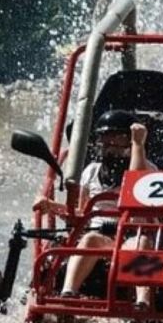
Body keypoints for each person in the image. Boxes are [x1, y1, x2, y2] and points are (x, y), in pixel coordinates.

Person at [34, 110, 156, 307]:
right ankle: (68, 294)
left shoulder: (147, 169)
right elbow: (82, 213)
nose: (111, 148)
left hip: (134, 235)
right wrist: (51, 206)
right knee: (90, 239)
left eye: (118, 142)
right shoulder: (91, 171)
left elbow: (135, 186)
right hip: (101, 235)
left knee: (140, 245)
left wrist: (138, 145)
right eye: (107, 142)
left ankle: (143, 302)